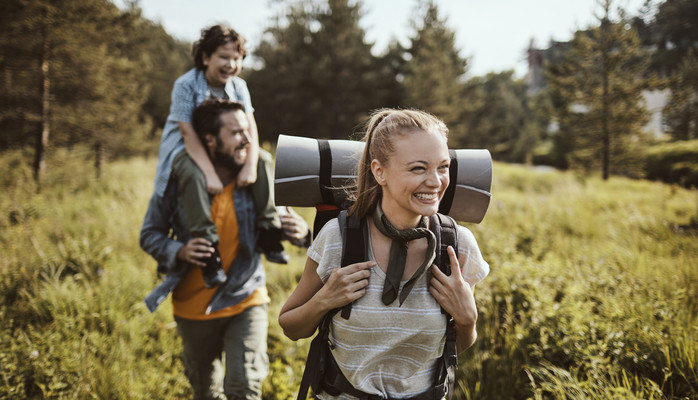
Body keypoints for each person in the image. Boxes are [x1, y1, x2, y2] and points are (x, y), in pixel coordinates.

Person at [278, 109, 489, 399]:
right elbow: (291, 327)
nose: (436, 181)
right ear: (380, 172)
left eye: (443, 167)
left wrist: (467, 319)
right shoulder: (338, 238)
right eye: (418, 168)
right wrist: (324, 300)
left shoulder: (456, 246)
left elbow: (453, 347)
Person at [141, 98, 311, 400]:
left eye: (247, 130)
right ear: (210, 139)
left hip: (245, 298)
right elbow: (149, 234)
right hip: (191, 307)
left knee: (243, 388)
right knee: (206, 393)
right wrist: (179, 250)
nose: (246, 139)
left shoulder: (255, 179)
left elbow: (292, 228)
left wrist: (303, 233)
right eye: (235, 133)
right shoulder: (178, 181)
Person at [152, 24, 288, 288]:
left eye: (236, 58)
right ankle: (209, 249)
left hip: (227, 147)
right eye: (224, 57)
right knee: (192, 174)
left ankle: (269, 231)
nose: (231, 64)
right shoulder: (186, 85)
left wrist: (250, 165)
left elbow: (251, 127)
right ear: (205, 58)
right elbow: (188, 133)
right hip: (185, 148)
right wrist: (209, 173)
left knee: (263, 160)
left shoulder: (239, 87)